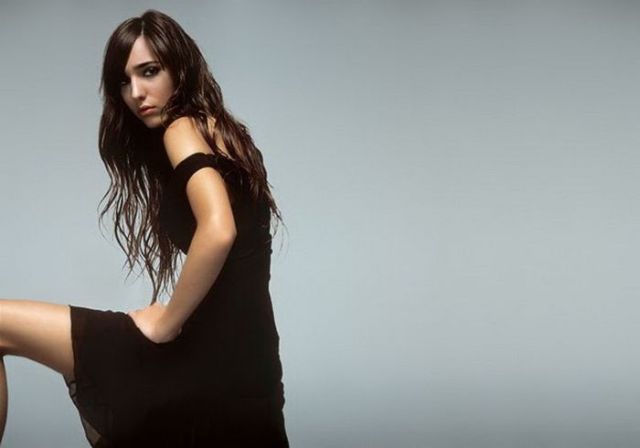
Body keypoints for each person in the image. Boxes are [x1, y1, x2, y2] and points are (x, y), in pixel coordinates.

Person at [0, 9, 289, 447]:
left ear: (180, 68)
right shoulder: (225, 131)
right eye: (123, 80)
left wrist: (167, 322)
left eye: (149, 72)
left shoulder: (182, 128)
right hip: (247, 366)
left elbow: (219, 230)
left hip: (207, 365)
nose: (136, 93)